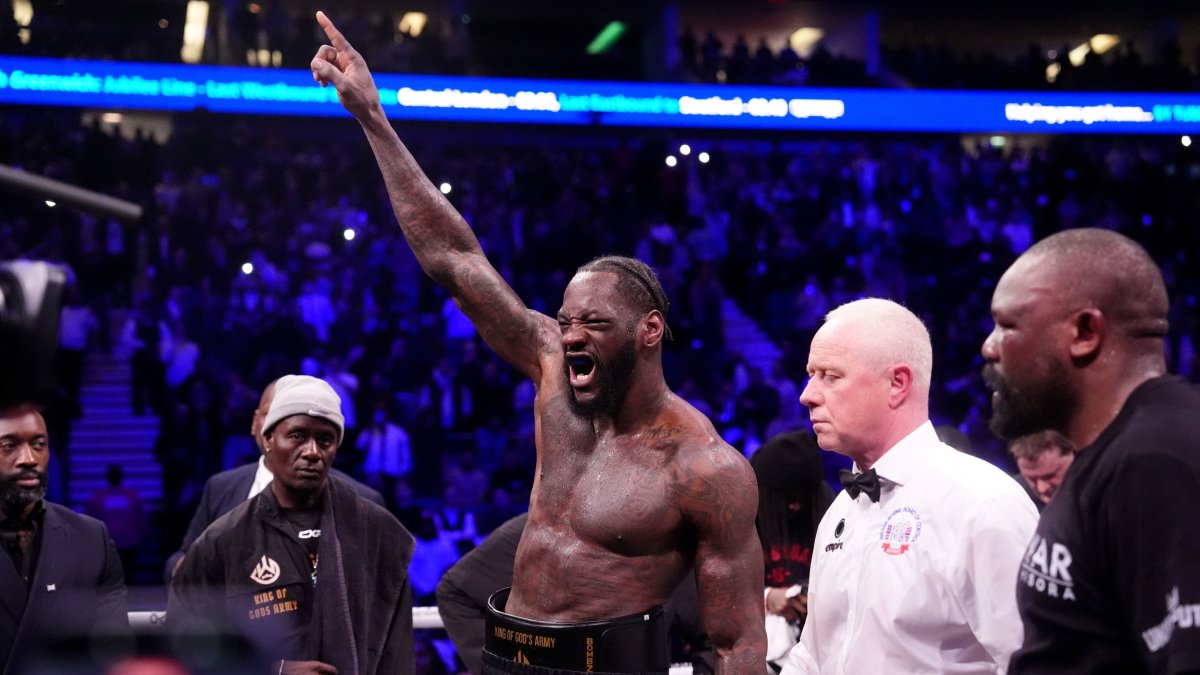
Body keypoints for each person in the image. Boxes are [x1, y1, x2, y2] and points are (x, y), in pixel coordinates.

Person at [312, 13, 766, 674]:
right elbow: (454, 257)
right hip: (510, 658)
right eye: (566, 318)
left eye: (594, 323)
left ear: (650, 330)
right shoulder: (553, 364)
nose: (572, 334)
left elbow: (737, 644)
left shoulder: (702, 468)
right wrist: (373, 118)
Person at [982, 228, 1200, 673]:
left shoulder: (1153, 461)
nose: (989, 346)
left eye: (1008, 326)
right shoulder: (1116, 453)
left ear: (1084, 332)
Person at [782, 298, 1038, 674]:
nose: (808, 394)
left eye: (831, 376)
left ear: (897, 384)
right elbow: (814, 657)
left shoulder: (982, 503)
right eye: (811, 374)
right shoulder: (840, 512)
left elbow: (1033, 658)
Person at [168, 375, 416, 674]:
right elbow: (186, 646)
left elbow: (397, 652)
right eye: (297, 435)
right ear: (268, 439)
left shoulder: (377, 531)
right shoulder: (223, 539)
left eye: (325, 439)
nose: (312, 452)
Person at [436, 513, 716, 675]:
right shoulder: (542, 531)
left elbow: (713, 639)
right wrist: (505, 668)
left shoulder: (669, 546)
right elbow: (457, 592)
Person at [164, 378, 385, 581]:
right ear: (257, 424)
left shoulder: (363, 501)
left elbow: (382, 585)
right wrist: (190, 570)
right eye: (271, 415)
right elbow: (183, 559)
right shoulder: (221, 487)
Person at [0, 403, 128, 674]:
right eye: (9, 445)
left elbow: (112, 652)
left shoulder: (92, 540)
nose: (29, 459)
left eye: (39, 444)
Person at [748, 430, 833, 673]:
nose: (795, 505)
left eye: (802, 498)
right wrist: (766, 598)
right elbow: (712, 589)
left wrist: (812, 596)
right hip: (755, 640)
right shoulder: (745, 516)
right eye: (788, 498)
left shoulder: (827, 507)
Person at [86, 463, 147, 578]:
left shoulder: (98, 497)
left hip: (112, 543)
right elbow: (141, 518)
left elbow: (90, 519)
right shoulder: (131, 496)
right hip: (126, 542)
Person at [1007, 429, 1075, 508]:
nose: (1042, 488)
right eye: (1032, 479)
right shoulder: (1014, 497)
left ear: (1073, 457)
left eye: (1049, 476)